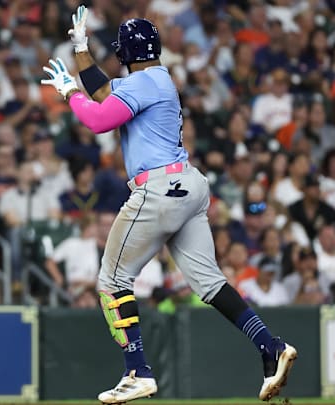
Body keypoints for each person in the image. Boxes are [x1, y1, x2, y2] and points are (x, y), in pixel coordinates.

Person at [40, 6, 296, 403]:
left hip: (158, 188)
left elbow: (97, 119)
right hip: (187, 185)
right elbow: (105, 93)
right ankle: (270, 346)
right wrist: (80, 49)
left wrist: (69, 92)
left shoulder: (144, 84)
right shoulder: (155, 79)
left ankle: (137, 370)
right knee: (210, 282)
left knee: (111, 281)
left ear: (125, 53)